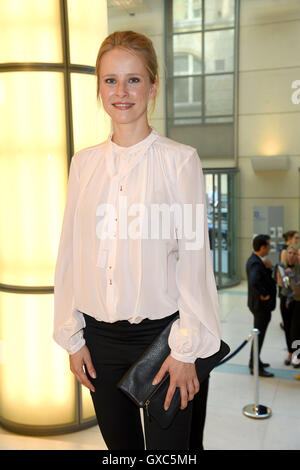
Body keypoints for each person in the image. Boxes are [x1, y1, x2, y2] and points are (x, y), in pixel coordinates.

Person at [53, 30, 221, 450]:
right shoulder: (83, 164)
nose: (122, 92)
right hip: (99, 342)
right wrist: (72, 337)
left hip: (165, 339)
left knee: (174, 455)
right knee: (122, 453)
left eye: (133, 79)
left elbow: (194, 261)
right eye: (110, 80)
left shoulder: (180, 160)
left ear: (153, 86)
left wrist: (186, 351)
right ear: (99, 88)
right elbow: (70, 255)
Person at [246, 234, 276, 377]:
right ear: (263, 247)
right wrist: (265, 294)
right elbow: (255, 280)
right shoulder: (256, 263)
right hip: (260, 307)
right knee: (259, 336)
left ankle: (255, 360)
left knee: (259, 335)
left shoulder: (256, 261)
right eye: (268, 246)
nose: (269, 248)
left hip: (259, 306)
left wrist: (268, 269)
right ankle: (254, 365)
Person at [276, 245, 299, 366]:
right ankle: (290, 352)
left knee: (295, 329)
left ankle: (297, 355)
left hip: (296, 299)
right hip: (284, 298)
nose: (291, 255)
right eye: (290, 253)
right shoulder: (281, 266)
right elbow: (280, 283)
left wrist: (292, 276)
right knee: (287, 327)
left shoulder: (298, 268)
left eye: (294, 253)